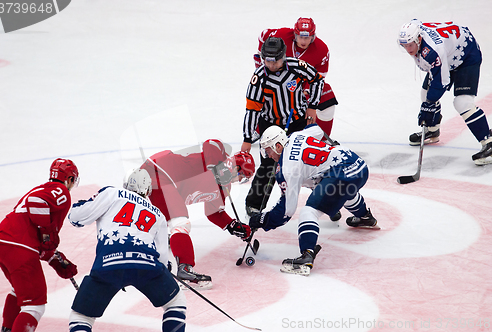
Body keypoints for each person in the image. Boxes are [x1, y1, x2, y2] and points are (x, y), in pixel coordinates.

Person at [248, 125, 378, 276]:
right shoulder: (295, 135)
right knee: (342, 191)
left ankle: (306, 255)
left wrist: (261, 220)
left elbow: (286, 212)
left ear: (278, 146)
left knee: (308, 212)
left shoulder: (288, 169)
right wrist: (330, 144)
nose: (268, 156)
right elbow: (316, 129)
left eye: (268, 150)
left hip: (341, 174)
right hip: (358, 164)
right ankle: (365, 217)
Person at [67, 169, 187, 332]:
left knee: (81, 317)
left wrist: (79, 205)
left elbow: (76, 217)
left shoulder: (112, 193)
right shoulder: (158, 214)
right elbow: (163, 260)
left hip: (108, 263)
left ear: (125, 184)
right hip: (146, 265)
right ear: (148, 191)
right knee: (175, 302)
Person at [243, 36, 342, 221]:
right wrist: (247, 139)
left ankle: (328, 202)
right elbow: (252, 109)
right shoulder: (258, 78)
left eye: (276, 60)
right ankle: (254, 204)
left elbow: (317, 80)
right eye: (267, 60)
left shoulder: (297, 66)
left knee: (309, 163)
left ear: (283, 56)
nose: (271, 64)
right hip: (271, 126)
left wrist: (312, 106)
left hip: (297, 122)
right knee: (269, 166)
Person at [139, 139, 255, 289]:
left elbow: (213, 213)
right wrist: (215, 167)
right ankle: (185, 270)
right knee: (180, 223)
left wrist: (233, 226)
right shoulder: (220, 157)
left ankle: (154, 240)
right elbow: (211, 143)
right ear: (236, 167)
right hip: (161, 171)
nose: (240, 180)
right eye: (242, 176)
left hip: (163, 177)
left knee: (167, 219)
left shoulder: (224, 187)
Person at [0, 158, 79, 332]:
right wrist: (48, 233)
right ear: (69, 179)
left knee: (19, 291)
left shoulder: (43, 188)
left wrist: (54, 258)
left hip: (2, 244)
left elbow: (37, 234)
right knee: (35, 306)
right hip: (19, 247)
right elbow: (36, 203)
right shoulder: (60, 190)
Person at [398, 19, 492, 165]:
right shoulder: (418, 36)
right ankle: (432, 130)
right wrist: (428, 105)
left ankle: (489, 142)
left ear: (419, 39)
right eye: (404, 46)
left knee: (462, 102)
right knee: (425, 94)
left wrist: (429, 106)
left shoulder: (432, 51)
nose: (408, 49)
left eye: (410, 45)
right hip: (449, 53)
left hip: (466, 55)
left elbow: (441, 82)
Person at [254, 17, 338, 136]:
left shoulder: (322, 49)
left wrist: (307, 92)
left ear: (313, 36)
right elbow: (263, 35)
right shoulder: (282, 34)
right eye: (300, 37)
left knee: (326, 95)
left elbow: (319, 77)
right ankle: (259, 129)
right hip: (276, 78)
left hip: (302, 86)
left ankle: (323, 142)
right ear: (295, 34)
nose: (303, 41)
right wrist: (261, 56)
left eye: (307, 37)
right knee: (266, 95)